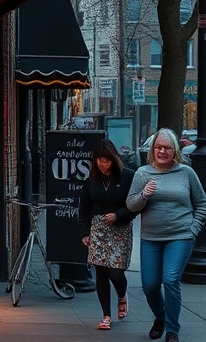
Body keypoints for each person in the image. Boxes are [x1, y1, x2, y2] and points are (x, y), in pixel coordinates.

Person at [126, 128, 206, 342]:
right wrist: (144, 195)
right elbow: (131, 205)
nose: (162, 151)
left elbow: (202, 203)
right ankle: (161, 317)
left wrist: (193, 229)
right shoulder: (143, 173)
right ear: (152, 150)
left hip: (180, 236)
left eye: (167, 148)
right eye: (158, 147)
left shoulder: (186, 173)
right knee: (150, 285)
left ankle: (172, 330)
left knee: (171, 279)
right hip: (151, 238)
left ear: (175, 150)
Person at [78, 139, 137, 331]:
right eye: (99, 161)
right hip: (98, 229)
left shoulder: (128, 177)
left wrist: (119, 215)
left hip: (120, 229)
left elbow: (136, 205)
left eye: (107, 161)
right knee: (101, 272)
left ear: (114, 159)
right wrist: (85, 232)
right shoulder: (91, 181)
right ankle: (106, 316)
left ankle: (122, 294)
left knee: (116, 273)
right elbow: (84, 208)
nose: (104, 165)